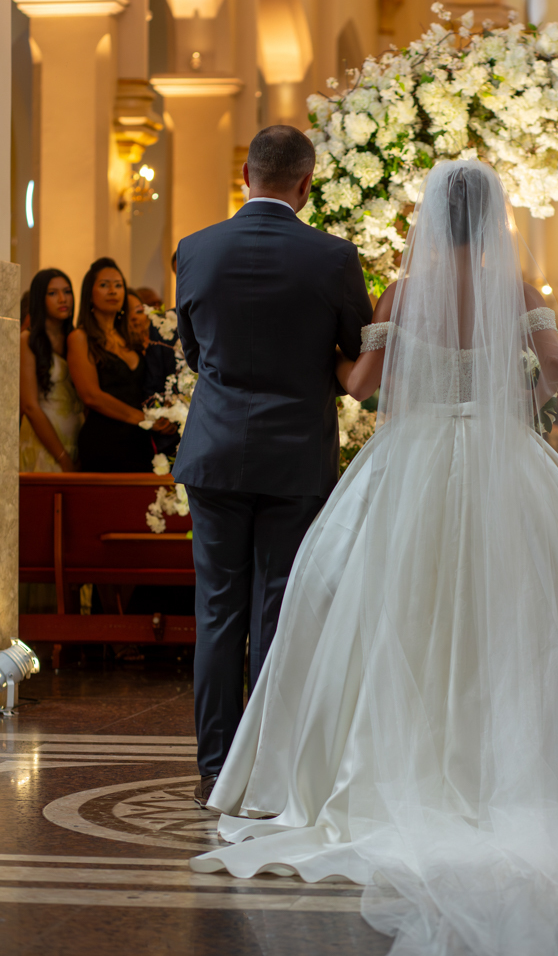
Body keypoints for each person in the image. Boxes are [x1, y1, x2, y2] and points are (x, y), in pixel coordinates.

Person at [190, 162, 558, 954]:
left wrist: (358, 374)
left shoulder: (402, 294)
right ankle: (507, 762)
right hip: (499, 454)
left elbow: (362, 386)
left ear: (428, 217)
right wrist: (519, 402)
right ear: (490, 220)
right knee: (512, 610)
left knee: (393, 607)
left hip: (409, 460)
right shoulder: (514, 289)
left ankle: (396, 764)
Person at [173, 124, 372, 808]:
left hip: (215, 450)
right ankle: (269, 763)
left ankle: (215, 766)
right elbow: (357, 354)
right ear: (306, 184)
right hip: (295, 453)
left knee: (217, 610)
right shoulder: (333, 256)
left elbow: (194, 352)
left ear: (246, 175)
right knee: (280, 608)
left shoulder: (195, 249)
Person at [67, 258, 168, 472]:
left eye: (118, 285)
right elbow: (91, 396)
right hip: (104, 441)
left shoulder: (128, 337)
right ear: (89, 294)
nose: (113, 291)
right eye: (104, 285)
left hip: (139, 440)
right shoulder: (80, 337)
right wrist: (143, 418)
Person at [19, 268, 83, 472]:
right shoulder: (28, 340)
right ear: (40, 298)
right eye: (53, 293)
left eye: (67, 291)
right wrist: (62, 457)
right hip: (43, 440)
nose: (63, 299)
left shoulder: (77, 339)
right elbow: (30, 405)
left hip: (76, 435)